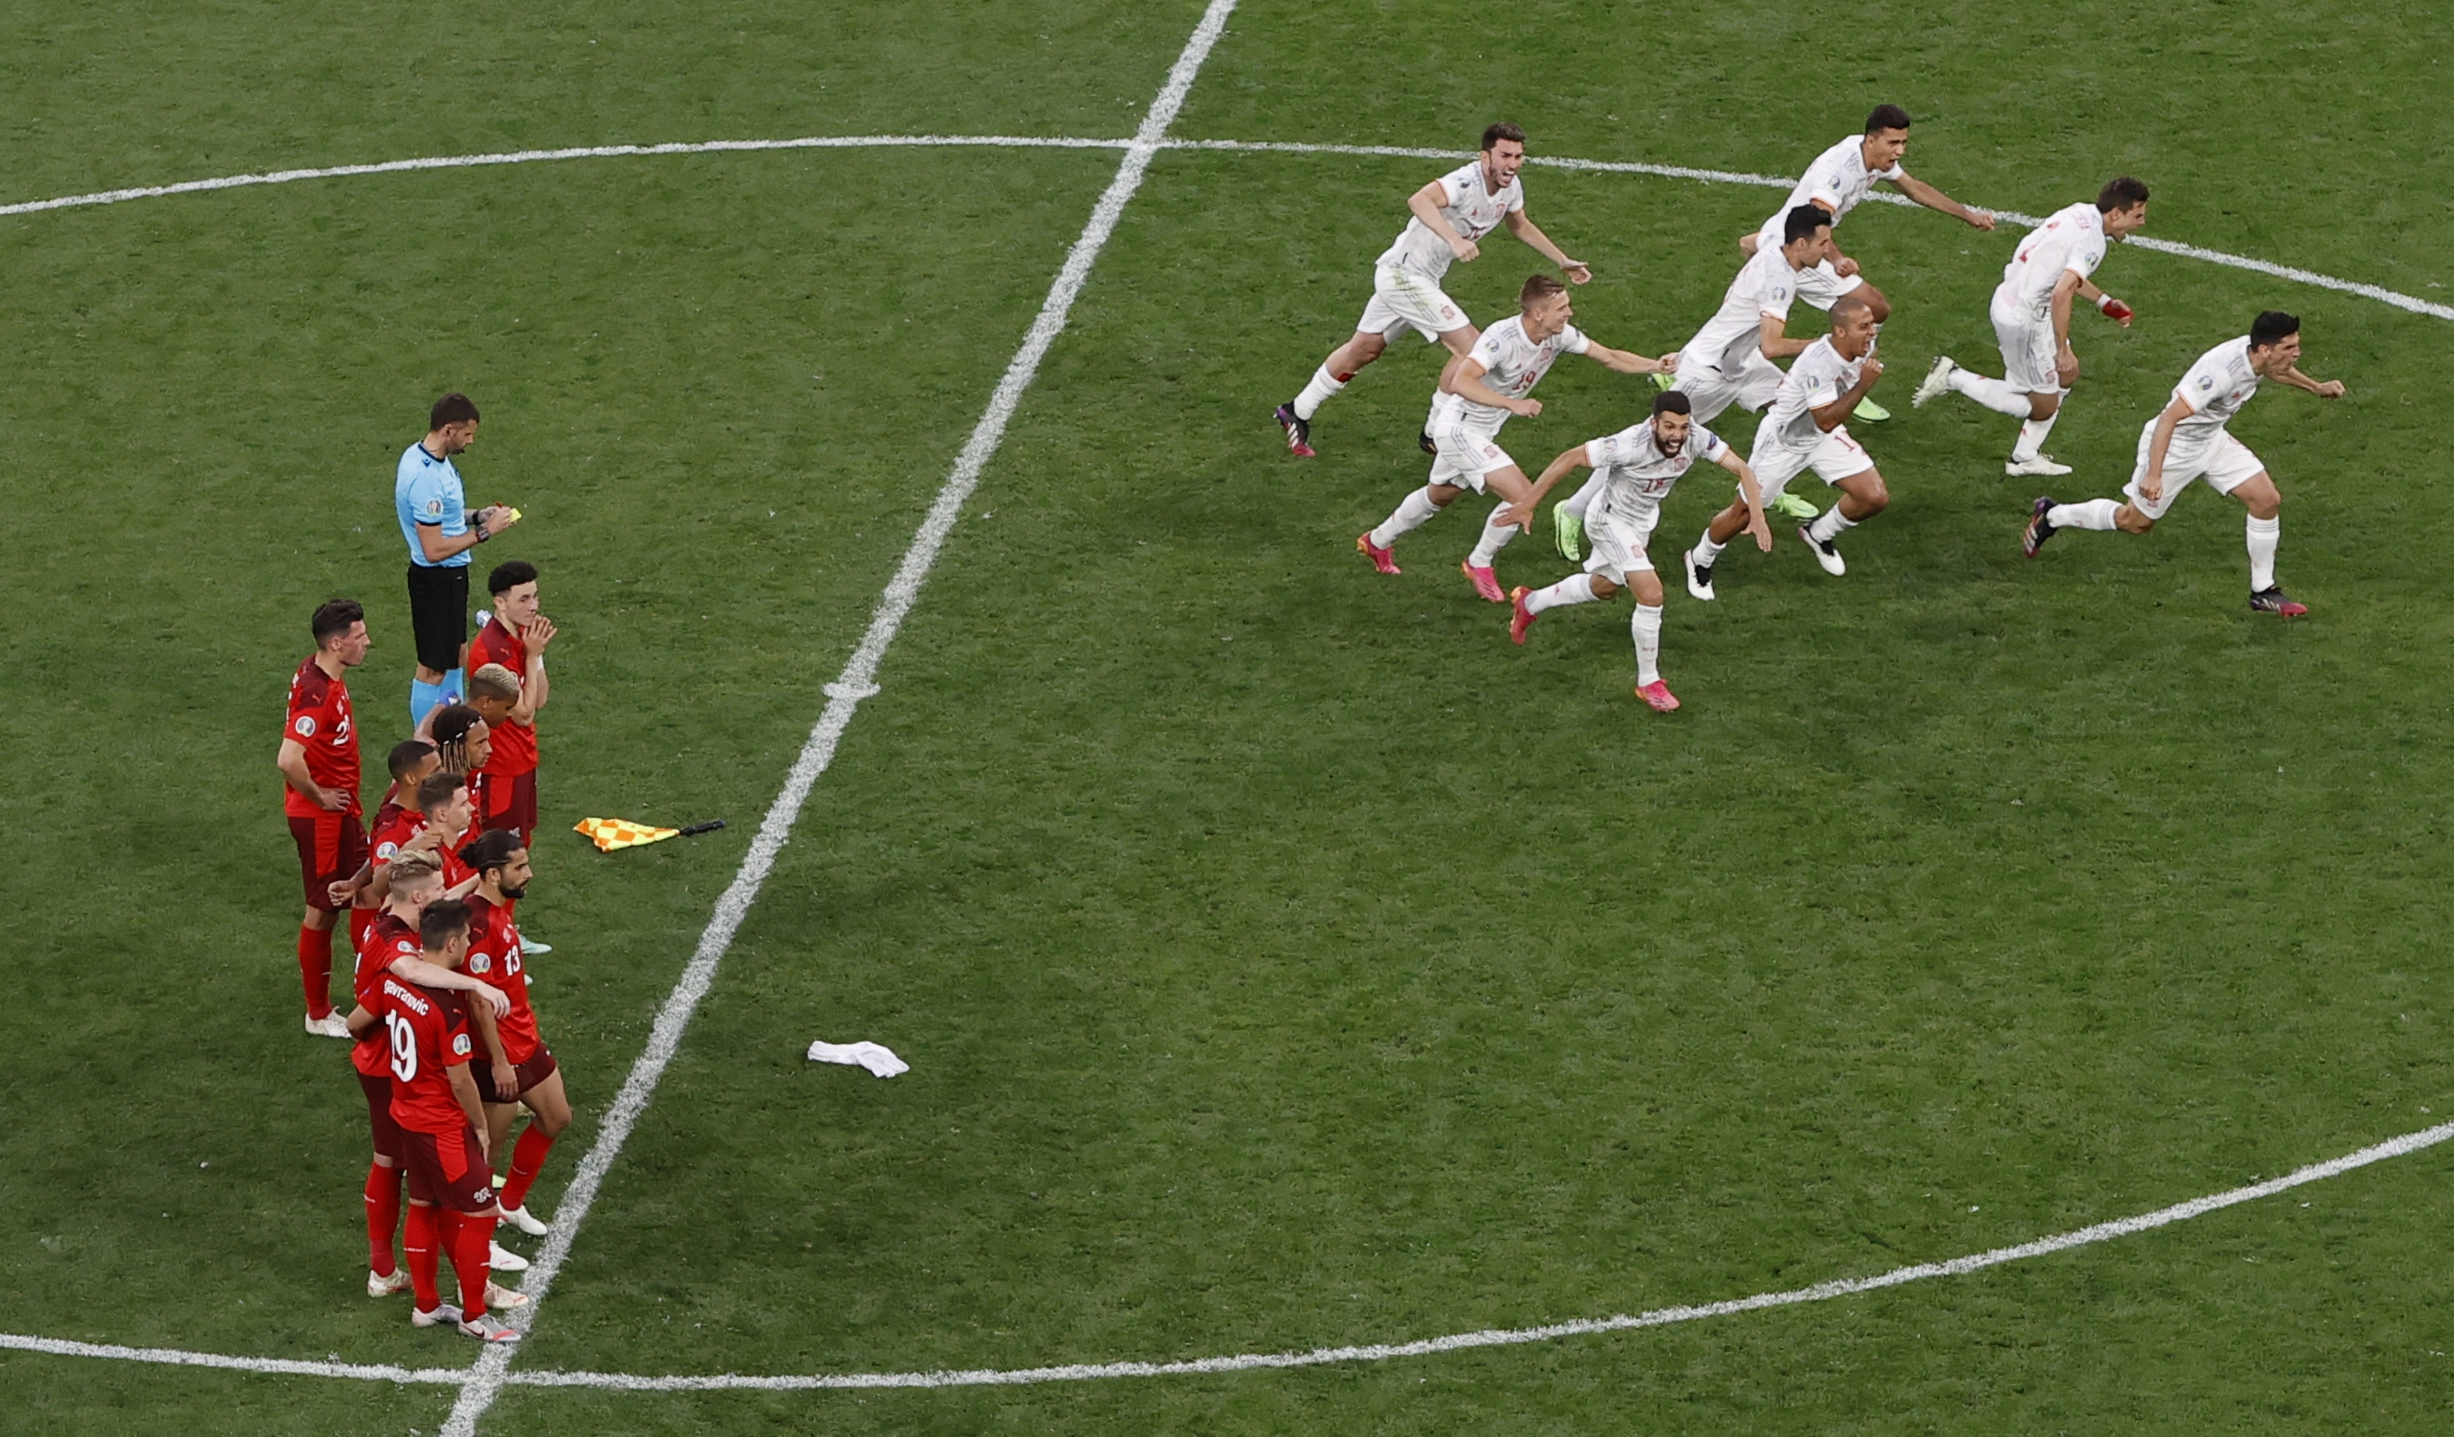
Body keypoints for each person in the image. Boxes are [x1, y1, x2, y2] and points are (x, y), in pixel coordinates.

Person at [1276, 124, 1591, 458]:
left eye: (1518, 156)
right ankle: (1433, 434)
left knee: (1365, 349)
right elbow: (1419, 200)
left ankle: (1296, 410)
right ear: (1485, 157)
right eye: (1505, 156)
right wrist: (1454, 240)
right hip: (1404, 277)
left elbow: (1520, 224)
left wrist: (1562, 260)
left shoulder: (1510, 187)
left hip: (1419, 277)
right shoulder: (1465, 182)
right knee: (1473, 349)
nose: (1512, 164)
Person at [1357, 274, 1669, 596]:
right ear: (1538, 314)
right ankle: (1479, 562)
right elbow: (1461, 381)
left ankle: (1377, 541)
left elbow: (1609, 356)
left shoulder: (1558, 335)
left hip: (1483, 429)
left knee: (1442, 494)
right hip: (1459, 428)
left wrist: (1656, 366)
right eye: (1562, 307)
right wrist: (1512, 404)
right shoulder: (1501, 339)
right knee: (1523, 496)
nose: (1569, 312)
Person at [1553, 205, 1833, 561]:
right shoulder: (1779, 280)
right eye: (1823, 243)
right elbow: (1773, 346)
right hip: (1706, 374)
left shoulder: (1775, 252)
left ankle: (1765, 488)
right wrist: (1826, 344)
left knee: (1791, 410)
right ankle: (1572, 510)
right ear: (1800, 244)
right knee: (1645, 445)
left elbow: (1746, 244)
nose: (1828, 250)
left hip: (1740, 363)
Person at [2022, 311, 2344, 615]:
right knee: (2135, 522)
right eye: (2289, 347)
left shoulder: (2259, 357)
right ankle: (2052, 515)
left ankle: (2263, 591)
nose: (2296, 353)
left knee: (2266, 500)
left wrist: (2316, 387)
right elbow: (2169, 418)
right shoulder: (2219, 373)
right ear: (2264, 348)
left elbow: (2276, 369)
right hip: (2174, 446)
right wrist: (2153, 475)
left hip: (2210, 439)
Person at [1502, 391, 1772, 711]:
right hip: (1609, 520)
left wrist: (1757, 515)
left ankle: (1530, 602)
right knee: (1651, 593)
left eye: (1683, 427)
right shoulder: (1628, 443)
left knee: (1604, 587)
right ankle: (1649, 682)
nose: (1677, 436)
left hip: (1641, 523)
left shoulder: (1697, 438)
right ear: (1654, 423)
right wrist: (1528, 504)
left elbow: (1743, 468)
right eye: (1669, 427)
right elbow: (1570, 458)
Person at [1738, 104, 1994, 421]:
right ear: (1871, 140)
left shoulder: (1872, 156)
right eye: (1893, 143)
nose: (1900, 151)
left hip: (1790, 240)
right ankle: (1848, 384)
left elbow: (1914, 189)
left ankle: (1686, 364)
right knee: (1873, 307)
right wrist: (1837, 258)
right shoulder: (1839, 171)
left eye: (1904, 142)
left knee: (1742, 326)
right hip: (1799, 251)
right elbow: (1817, 220)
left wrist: (1967, 215)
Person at [356, 899, 528, 1342]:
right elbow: (461, 1080)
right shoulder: (447, 1007)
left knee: (423, 1204)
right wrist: (481, 1126)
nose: (469, 943)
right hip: (442, 1124)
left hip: (405, 1116)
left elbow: (357, 1020)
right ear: (451, 944)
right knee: (481, 1212)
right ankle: (475, 1316)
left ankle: (427, 1306)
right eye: (466, 938)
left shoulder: (392, 981)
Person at [343, 852, 510, 1301]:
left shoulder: (391, 915)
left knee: (412, 1178)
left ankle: (412, 1278)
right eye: (438, 888)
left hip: (386, 1057)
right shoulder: (398, 947)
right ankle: (397, 1272)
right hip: (394, 1068)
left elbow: (356, 1021)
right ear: (418, 899)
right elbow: (411, 968)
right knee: (398, 1167)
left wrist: (475, 880)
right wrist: (477, 984)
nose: (444, 893)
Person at [1914, 178, 2151, 474]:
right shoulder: (2092, 242)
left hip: (2013, 296)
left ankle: (2025, 458)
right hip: (2025, 319)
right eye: (2137, 215)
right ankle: (1954, 377)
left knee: (2068, 374)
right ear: (2116, 214)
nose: (2141, 222)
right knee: (2043, 405)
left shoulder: (2078, 212)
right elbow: (2061, 292)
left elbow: (2057, 271)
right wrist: (2061, 349)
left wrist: (2103, 301)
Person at [1685, 294, 1890, 594]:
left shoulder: (1863, 345)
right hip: (1784, 441)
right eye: (1864, 326)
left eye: (1871, 324)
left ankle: (1818, 533)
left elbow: (1826, 425)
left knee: (1873, 497)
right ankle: (1699, 558)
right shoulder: (1818, 363)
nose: (1872, 332)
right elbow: (1825, 419)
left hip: (1821, 437)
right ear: (1840, 331)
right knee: (1743, 513)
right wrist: (1864, 385)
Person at [459, 830, 572, 1240]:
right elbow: (478, 1002)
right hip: (497, 1055)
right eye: (520, 867)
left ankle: (509, 1205)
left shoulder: (499, 908)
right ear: (493, 874)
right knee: (487, 1151)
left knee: (556, 1117)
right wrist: (500, 1062)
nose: (529, 873)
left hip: (524, 1039)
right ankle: (478, 1238)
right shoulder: (477, 924)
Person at [397, 393, 520, 727]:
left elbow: (446, 516)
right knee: (433, 668)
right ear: (448, 430)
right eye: (467, 434)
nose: (470, 441)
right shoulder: (426, 478)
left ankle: (454, 726)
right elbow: (433, 549)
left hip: (449, 577)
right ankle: (425, 739)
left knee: (456, 656)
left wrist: (479, 516)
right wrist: (486, 532)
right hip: (436, 579)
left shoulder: (424, 458)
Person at [278, 599, 370, 1038]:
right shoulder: (318, 694)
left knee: (368, 886)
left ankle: (376, 988)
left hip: (341, 812)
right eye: (359, 636)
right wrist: (319, 794)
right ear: (336, 644)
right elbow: (288, 758)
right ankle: (317, 1013)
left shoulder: (318, 671)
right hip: (323, 819)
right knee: (323, 909)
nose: (367, 642)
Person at [466, 560, 556, 845]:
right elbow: (524, 714)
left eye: (535, 596)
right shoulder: (494, 651)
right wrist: (532, 656)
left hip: (522, 759)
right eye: (524, 599)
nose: (534, 606)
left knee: (519, 845)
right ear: (500, 603)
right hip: (501, 767)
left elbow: (540, 699)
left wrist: (536, 656)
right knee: (500, 850)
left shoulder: (521, 635)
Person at [332, 740, 440, 952]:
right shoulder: (393, 826)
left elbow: (376, 857)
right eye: (435, 771)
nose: (441, 775)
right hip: (399, 930)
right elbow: (380, 884)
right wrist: (408, 851)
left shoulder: (418, 804)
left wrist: (356, 882)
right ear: (411, 778)